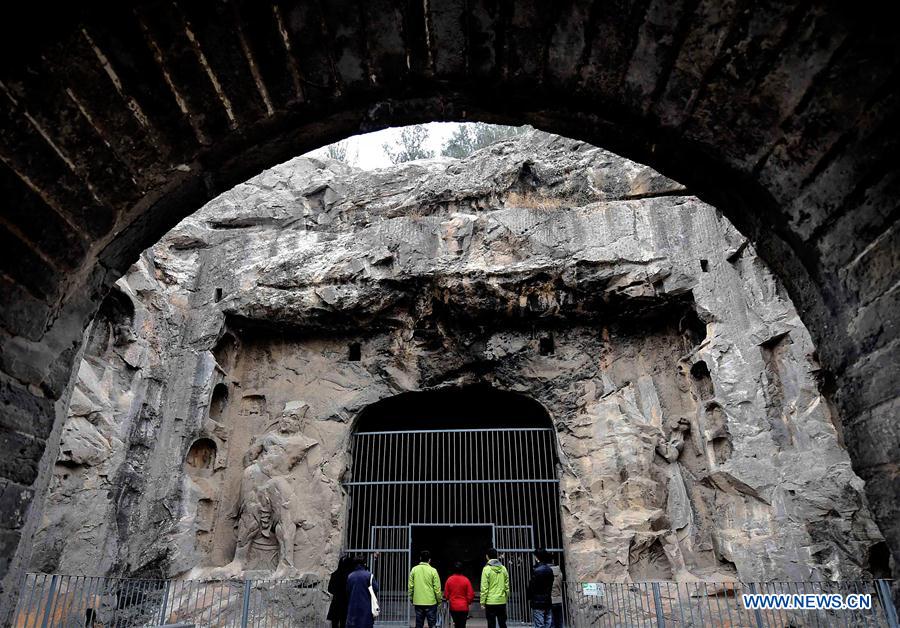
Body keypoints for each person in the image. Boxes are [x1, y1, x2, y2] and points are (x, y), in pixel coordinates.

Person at [408, 550, 442, 628]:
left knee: (419, 624)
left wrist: (411, 598)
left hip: (418, 602)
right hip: (431, 602)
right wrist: (439, 601)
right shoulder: (433, 571)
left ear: (420, 558)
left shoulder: (414, 570)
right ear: (429, 560)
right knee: (432, 624)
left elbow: (410, 586)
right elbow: (437, 589)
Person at [480, 548, 510, 628]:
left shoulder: (486, 569)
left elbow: (484, 587)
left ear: (487, 557)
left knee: (491, 624)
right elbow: (507, 586)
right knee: (503, 624)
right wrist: (505, 598)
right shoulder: (503, 568)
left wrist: (482, 602)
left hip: (490, 602)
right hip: (501, 601)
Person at [346, 556, 379, 628]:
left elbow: (347, 590)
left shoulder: (350, 576)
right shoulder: (369, 575)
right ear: (364, 564)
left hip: (353, 607)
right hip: (366, 606)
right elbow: (376, 588)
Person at [443, 561, 475, 628]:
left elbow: (446, 594)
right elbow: (470, 594)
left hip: (453, 607)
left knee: (456, 624)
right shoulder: (466, 580)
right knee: (462, 625)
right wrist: (468, 602)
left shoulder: (449, 580)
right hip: (464, 607)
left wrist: (449, 599)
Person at [527, 550, 554, 628]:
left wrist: (530, 597)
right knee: (548, 623)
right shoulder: (549, 570)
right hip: (548, 600)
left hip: (538, 601)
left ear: (536, 557)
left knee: (539, 624)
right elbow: (551, 584)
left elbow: (532, 586)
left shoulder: (536, 571)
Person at [327, 554, 355, 628]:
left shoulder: (334, 574)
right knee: (344, 623)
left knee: (334, 623)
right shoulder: (350, 576)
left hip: (336, 602)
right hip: (346, 602)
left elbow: (329, 589)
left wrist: (337, 593)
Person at [549, 557, 564, 628]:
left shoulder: (546, 573)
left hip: (550, 600)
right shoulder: (559, 573)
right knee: (559, 621)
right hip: (558, 599)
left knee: (551, 622)